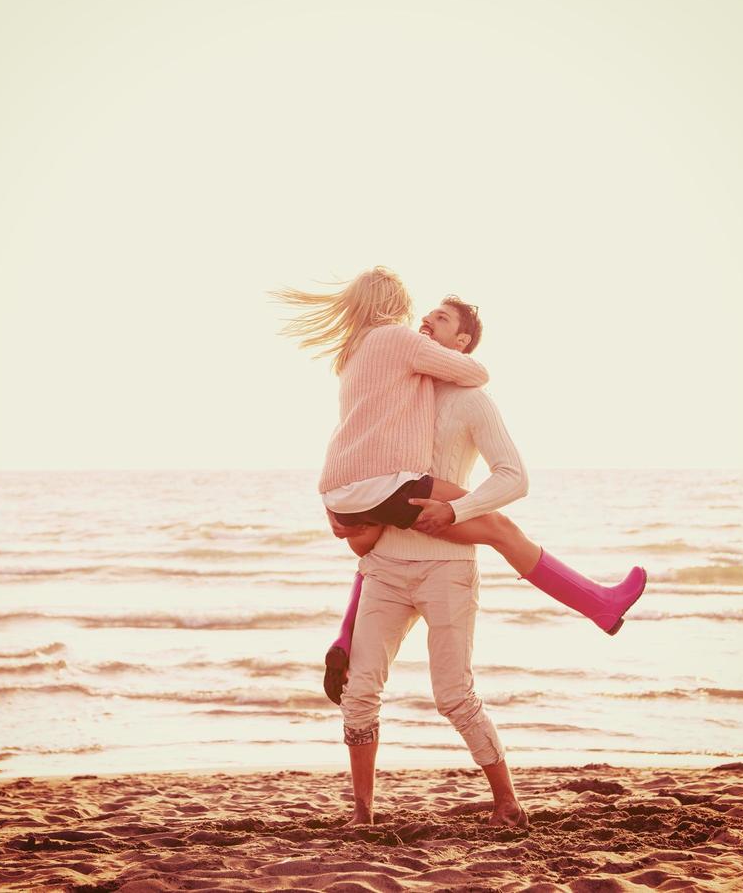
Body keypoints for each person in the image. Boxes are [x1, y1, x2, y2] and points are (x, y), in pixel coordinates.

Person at [272, 268, 646, 827]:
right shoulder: (400, 380)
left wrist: (457, 510)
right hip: (386, 567)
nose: (425, 321)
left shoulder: (471, 399)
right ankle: (362, 815)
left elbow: (513, 477)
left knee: (453, 695)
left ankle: (507, 802)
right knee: (360, 696)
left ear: (462, 342)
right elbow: (361, 451)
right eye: (424, 315)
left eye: (440, 319)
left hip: (446, 566)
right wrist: (345, 519)